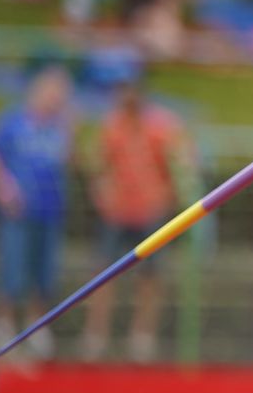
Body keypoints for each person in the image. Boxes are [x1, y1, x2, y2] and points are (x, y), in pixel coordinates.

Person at [81, 66, 190, 362]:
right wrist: (102, 193)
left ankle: (142, 334)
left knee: (151, 277)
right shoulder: (111, 126)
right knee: (104, 272)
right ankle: (97, 333)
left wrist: (168, 195)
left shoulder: (161, 126)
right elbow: (97, 164)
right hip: (116, 211)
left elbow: (181, 163)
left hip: (150, 209)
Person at [0, 66, 76, 359]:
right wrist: (3, 189)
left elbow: (68, 163)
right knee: (12, 266)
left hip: (49, 211)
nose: (56, 99)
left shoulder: (58, 129)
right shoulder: (12, 123)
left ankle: (37, 325)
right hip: (17, 212)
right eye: (52, 93)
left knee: (43, 270)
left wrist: (70, 130)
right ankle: (4, 321)